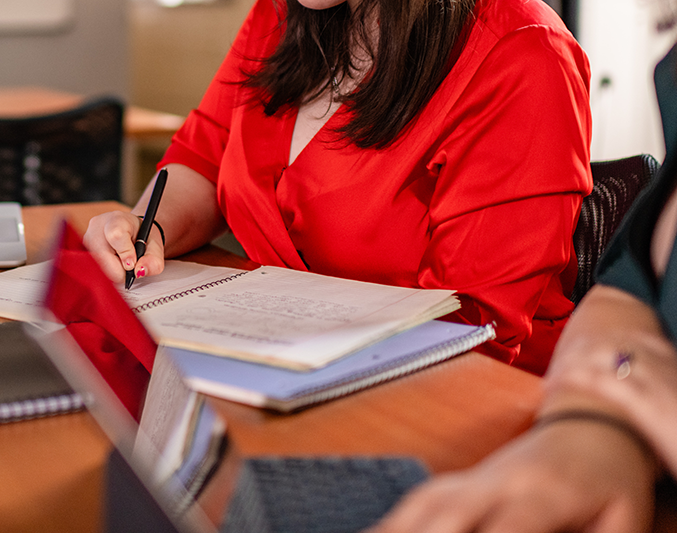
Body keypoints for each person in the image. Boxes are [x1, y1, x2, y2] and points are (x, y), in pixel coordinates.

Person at [84, 0, 592, 375]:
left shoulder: (523, 53)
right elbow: (207, 154)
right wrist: (148, 226)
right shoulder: (282, 15)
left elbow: (471, 330)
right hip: (279, 364)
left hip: (459, 399)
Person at [368, 0, 677, 531]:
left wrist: (649, 401)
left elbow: (479, 318)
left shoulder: (520, 45)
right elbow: (631, 289)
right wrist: (593, 425)